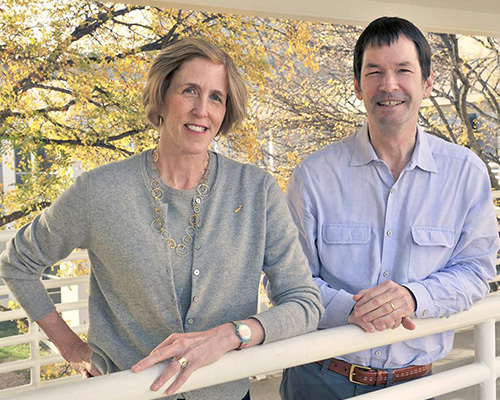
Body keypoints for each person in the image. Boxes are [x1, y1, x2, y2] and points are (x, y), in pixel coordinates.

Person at [0, 37, 323, 400]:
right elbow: (18, 263)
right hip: (127, 393)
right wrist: (71, 347)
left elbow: (304, 303)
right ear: (162, 96)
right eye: (190, 91)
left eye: (216, 97)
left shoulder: (257, 191)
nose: (202, 109)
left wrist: (233, 334)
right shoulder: (100, 191)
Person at [280, 16, 498, 400]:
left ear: (427, 83)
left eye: (403, 70)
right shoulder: (313, 176)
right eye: (374, 72)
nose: (389, 85)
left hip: (417, 383)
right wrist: (350, 309)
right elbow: (287, 280)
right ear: (357, 85)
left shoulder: (465, 174)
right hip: (319, 380)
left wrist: (414, 298)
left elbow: (476, 270)